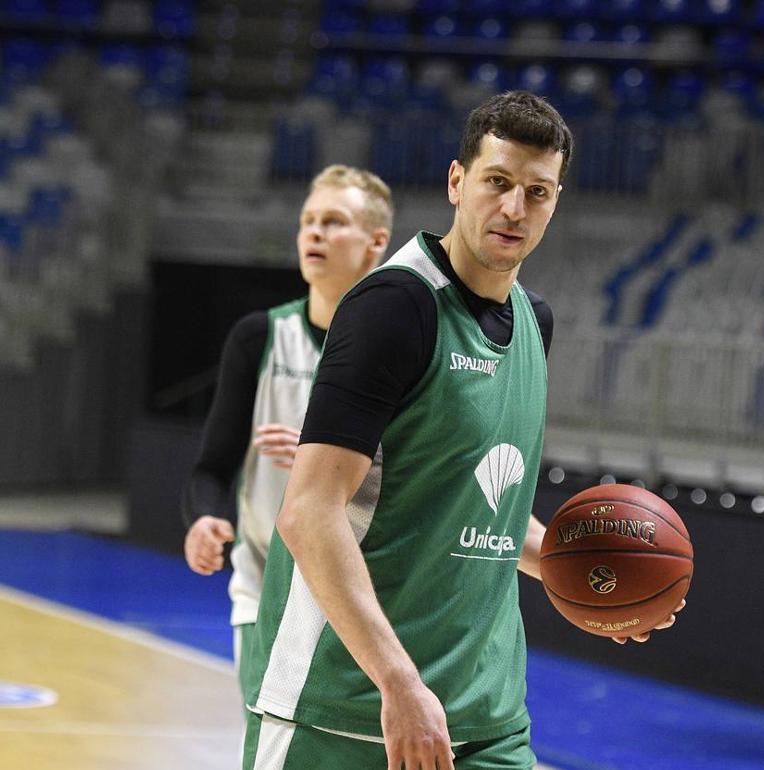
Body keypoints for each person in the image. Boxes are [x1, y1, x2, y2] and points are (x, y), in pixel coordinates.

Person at [241, 91, 682, 770]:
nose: (514, 209)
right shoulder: (394, 307)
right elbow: (307, 511)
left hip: (485, 717)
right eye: (498, 183)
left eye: (537, 192)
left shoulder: (536, 323)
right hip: (348, 708)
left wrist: (586, 575)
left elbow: (483, 512)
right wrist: (398, 681)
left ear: (556, 201)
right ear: (457, 182)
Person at [182, 165, 394, 698]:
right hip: (266, 588)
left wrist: (317, 453)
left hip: (368, 590)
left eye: (334, 221)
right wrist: (205, 517)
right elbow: (213, 465)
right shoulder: (260, 337)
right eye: (308, 222)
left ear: (377, 242)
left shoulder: (401, 349)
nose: (315, 234)